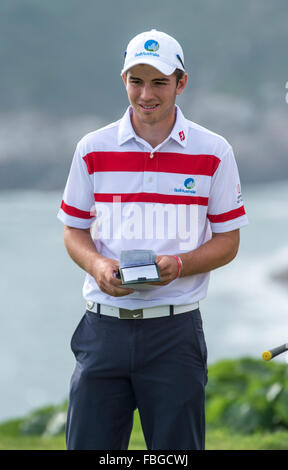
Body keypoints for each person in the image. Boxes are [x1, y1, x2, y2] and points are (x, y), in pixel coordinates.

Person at [57, 29, 248, 450]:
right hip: (102, 328)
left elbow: (228, 241)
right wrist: (97, 265)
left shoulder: (215, 152)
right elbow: (73, 230)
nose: (146, 94)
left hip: (174, 332)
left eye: (159, 81)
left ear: (181, 83)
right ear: (123, 81)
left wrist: (178, 266)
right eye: (136, 81)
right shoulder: (92, 148)